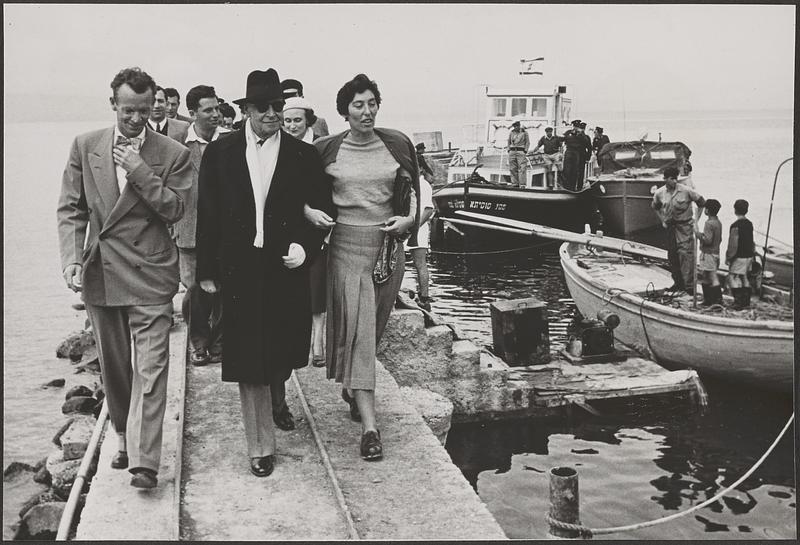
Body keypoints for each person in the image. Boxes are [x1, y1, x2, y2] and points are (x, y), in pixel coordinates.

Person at [57, 67, 192, 489]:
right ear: (113, 104)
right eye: (128, 110)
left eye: (144, 110)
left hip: (150, 274)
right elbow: (72, 209)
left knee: (152, 369)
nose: (136, 119)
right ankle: (122, 438)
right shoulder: (85, 146)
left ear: (154, 107)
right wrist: (71, 260)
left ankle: (145, 462)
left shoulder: (173, 153)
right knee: (117, 370)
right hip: (102, 274)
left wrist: (139, 169)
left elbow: (175, 209)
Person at [196, 68, 331, 478]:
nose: (273, 113)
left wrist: (304, 247)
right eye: (264, 107)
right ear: (247, 110)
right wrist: (206, 270)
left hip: (283, 269)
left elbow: (321, 210)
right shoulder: (219, 153)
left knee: (283, 353)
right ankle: (260, 447)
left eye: (278, 106)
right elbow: (209, 214)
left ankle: (277, 400)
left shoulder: (303, 156)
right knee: (248, 357)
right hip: (239, 268)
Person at [314, 73, 419, 461]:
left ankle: (352, 388)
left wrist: (410, 221)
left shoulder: (397, 144)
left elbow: (417, 197)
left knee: (372, 329)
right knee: (359, 334)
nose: (367, 111)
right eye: (358, 105)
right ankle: (371, 428)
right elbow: (304, 192)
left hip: (388, 250)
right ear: (344, 111)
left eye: (372, 102)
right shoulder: (327, 149)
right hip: (345, 249)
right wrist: (310, 211)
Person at [174, 85, 229, 366]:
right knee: (195, 289)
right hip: (189, 228)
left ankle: (219, 342)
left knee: (222, 288)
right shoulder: (179, 143)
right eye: (208, 110)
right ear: (193, 113)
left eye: (217, 108)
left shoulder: (230, 141)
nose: (215, 115)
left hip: (224, 231)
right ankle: (199, 342)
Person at [282, 95, 332, 367]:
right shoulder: (279, 145)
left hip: (318, 222)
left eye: (297, 120)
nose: (291, 126)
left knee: (317, 285)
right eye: (287, 120)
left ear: (308, 121)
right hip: (291, 222)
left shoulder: (320, 146)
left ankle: (318, 342)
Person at [651, 166, 706, 294]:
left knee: (686, 256)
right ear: (665, 179)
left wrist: (696, 220)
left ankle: (689, 287)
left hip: (685, 227)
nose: (675, 181)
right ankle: (678, 284)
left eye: (676, 178)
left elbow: (702, 202)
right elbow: (655, 206)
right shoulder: (660, 193)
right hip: (671, 228)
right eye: (671, 179)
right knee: (673, 257)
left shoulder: (686, 191)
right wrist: (662, 220)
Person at [406, 173, 435, 311]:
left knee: (420, 263)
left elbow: (429, 210)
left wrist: (415, 228)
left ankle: (424, 298)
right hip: (408, 227)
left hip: (419, 229)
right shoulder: (410, 184)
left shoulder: (423, 185)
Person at [725, 199, 756, 309]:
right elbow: (752, 241)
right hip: (749, 255)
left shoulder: (735, 225)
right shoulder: (749, 224)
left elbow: (733, 244)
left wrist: (729, 257)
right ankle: (746, 302)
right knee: (744, 277)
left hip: (740, 256)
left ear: (735, 210)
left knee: (731, 277)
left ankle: (738, 302)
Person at [694, 198, 723, 305]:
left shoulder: (709, 223)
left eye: (705, 208)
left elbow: (708, 240)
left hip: (709, 254)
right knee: (706, 276)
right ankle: (708, 299)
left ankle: (717, 300)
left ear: (707, 210)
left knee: (712, 276)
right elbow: (718, 239)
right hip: (715, 253)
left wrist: (698, 234)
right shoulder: (718, 222)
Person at [561, 120, 592, 191]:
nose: (576, 128)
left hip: (581, 155)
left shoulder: (584, 136)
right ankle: (568, 186)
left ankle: (578, 187)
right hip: (573, 154)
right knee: (568, 171)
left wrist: (588, 157)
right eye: (575, 126)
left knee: (579, 172)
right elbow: (564, 139)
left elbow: (588, 146)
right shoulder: (569, 133)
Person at [506, 120, 529, 187]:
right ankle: (515, 183)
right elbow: (508, 142)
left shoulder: (524, 132)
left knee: (522, 168)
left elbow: (527, 142)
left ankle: (522, 184)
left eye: (517, 125)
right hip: (512, 151)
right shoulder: (511, 132)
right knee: (512, 168)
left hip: (521, 151)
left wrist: (525, 151)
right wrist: (508, 150)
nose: (516, 127)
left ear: (519, 125)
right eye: (515, 126)